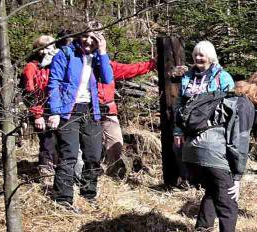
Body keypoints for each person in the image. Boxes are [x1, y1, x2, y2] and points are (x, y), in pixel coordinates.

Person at [182, 77, 257, 232]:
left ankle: (202, 230)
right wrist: (237, 177)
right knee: (229, 207)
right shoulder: (245, 105)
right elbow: (239, 142)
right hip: (212, 152)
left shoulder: (228, 96)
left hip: (191, 150)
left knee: (214, 188)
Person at [46, 27, 114, 209]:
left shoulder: (98, 56)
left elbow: (107, 78)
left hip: (91, 110)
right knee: (69, 154)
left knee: (93, 154)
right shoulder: (65, 54)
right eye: (85, 36)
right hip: (68, 110)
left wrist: (103, 51)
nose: (88, 41)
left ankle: (88, 194)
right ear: (78, 36)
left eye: (94, 38)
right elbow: (54, 82)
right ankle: (63, 199)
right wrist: (55, 111)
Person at [172, 41, 234, 150]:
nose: (197, 58)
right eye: (195, 55)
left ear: (210, 57)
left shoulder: (223, 77)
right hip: (187, 131)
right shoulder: (187, 77)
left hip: (213, 133)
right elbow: (179, 105)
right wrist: (178, 131)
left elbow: (231, 105)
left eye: (201, 55)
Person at [98, 57, 156, 171]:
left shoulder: (109, 66)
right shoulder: (79, 65)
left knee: (116, 143)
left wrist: (151, 64)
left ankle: (114, 171)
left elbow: (130, 69)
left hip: (108, 111)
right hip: (86, 111)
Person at [22, 34, 59, 180]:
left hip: (54, 109)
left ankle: (56, 169)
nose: (49, 51)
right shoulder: (31, 68)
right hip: (40, 110)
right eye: (46, 48)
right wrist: (37, 115)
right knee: (47, 140)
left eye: (52, 47)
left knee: (57, 140)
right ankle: (45, 171)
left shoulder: (53, 66)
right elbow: (29, 93)